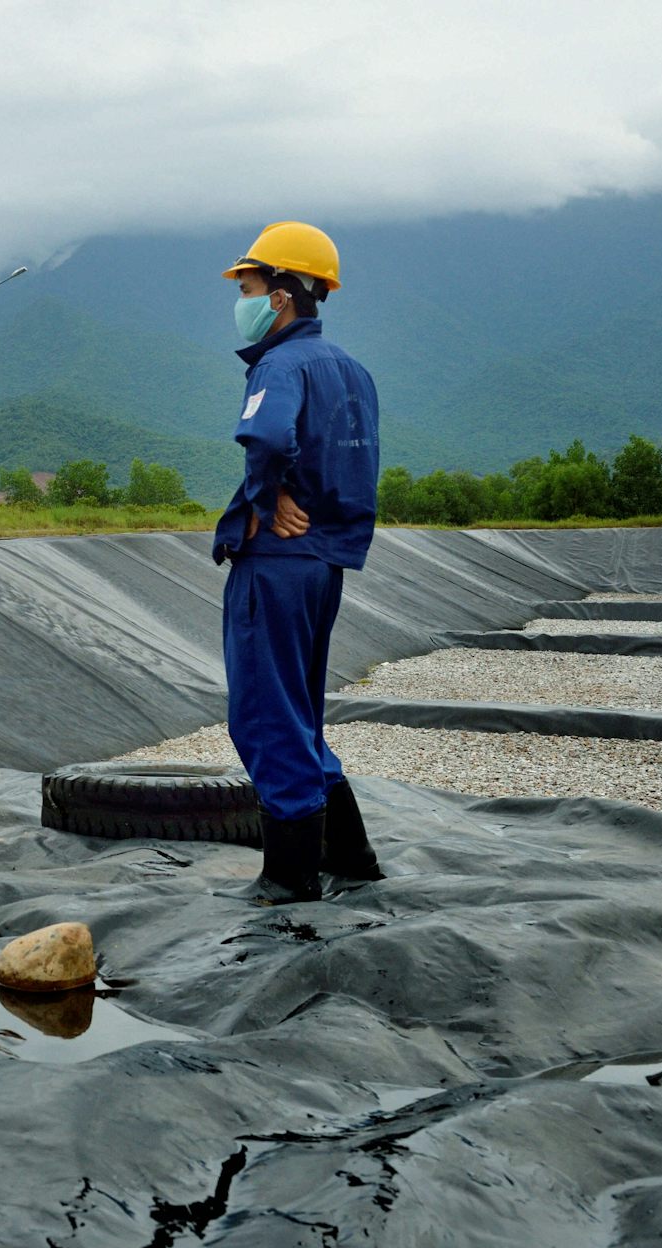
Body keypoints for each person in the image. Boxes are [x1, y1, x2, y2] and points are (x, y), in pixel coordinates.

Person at [209, 221, 383, 905]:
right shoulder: (351, 371)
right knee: (302, 712)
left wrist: (267, 494)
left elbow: (268, 434)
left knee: (265, 714)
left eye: (249, 287)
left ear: (282, 295)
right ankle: (350, 857)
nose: (242, 300)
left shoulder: (278, 367)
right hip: (323, 564)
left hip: (277, 562)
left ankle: (288, 877)